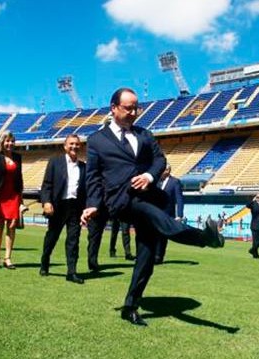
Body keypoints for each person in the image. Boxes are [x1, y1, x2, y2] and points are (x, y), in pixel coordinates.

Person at [80, 88, 224, 326]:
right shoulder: (97, 140)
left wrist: (148, 176)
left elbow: (160, 160)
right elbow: (93, 177)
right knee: (157, 218)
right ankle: (204, 238)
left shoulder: (144, 134)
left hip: (149, 196)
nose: (133, 112)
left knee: (146, 256)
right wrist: (92, 205)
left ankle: (130, 306)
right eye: (128, 107)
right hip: (122, 200)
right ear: (114, 108)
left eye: (136, 107)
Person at [38, 134, 85, 283]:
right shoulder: (55, 162)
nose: (74, 147)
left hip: (75, 207)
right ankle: (45, 262)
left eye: (77, 144)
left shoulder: (84, 167)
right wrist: (46, 202)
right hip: (58, 207)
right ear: (65, 146)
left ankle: (71, 272)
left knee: (73, 240)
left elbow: (87, 190)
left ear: (80, 146)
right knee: (52, 238)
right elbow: (46, 185)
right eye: (71, 144)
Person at [0, 131, 23, 270]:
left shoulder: (18, 157)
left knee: (12, 226)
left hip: (13, 195)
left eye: (12, 141)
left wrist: (21, 200)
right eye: (7, 141)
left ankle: (7, 258)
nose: (10, 144)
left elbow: (20, 179)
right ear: (2, 142)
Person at [154, 164, 185, 264]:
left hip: (167, 214)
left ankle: (159, 257)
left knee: (162, 236)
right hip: (155, 212)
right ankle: (151, 255)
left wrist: (179, 215)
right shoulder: (157, 182)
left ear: (167, 171)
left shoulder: (175, 182)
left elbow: (179, 199)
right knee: (153, 235)